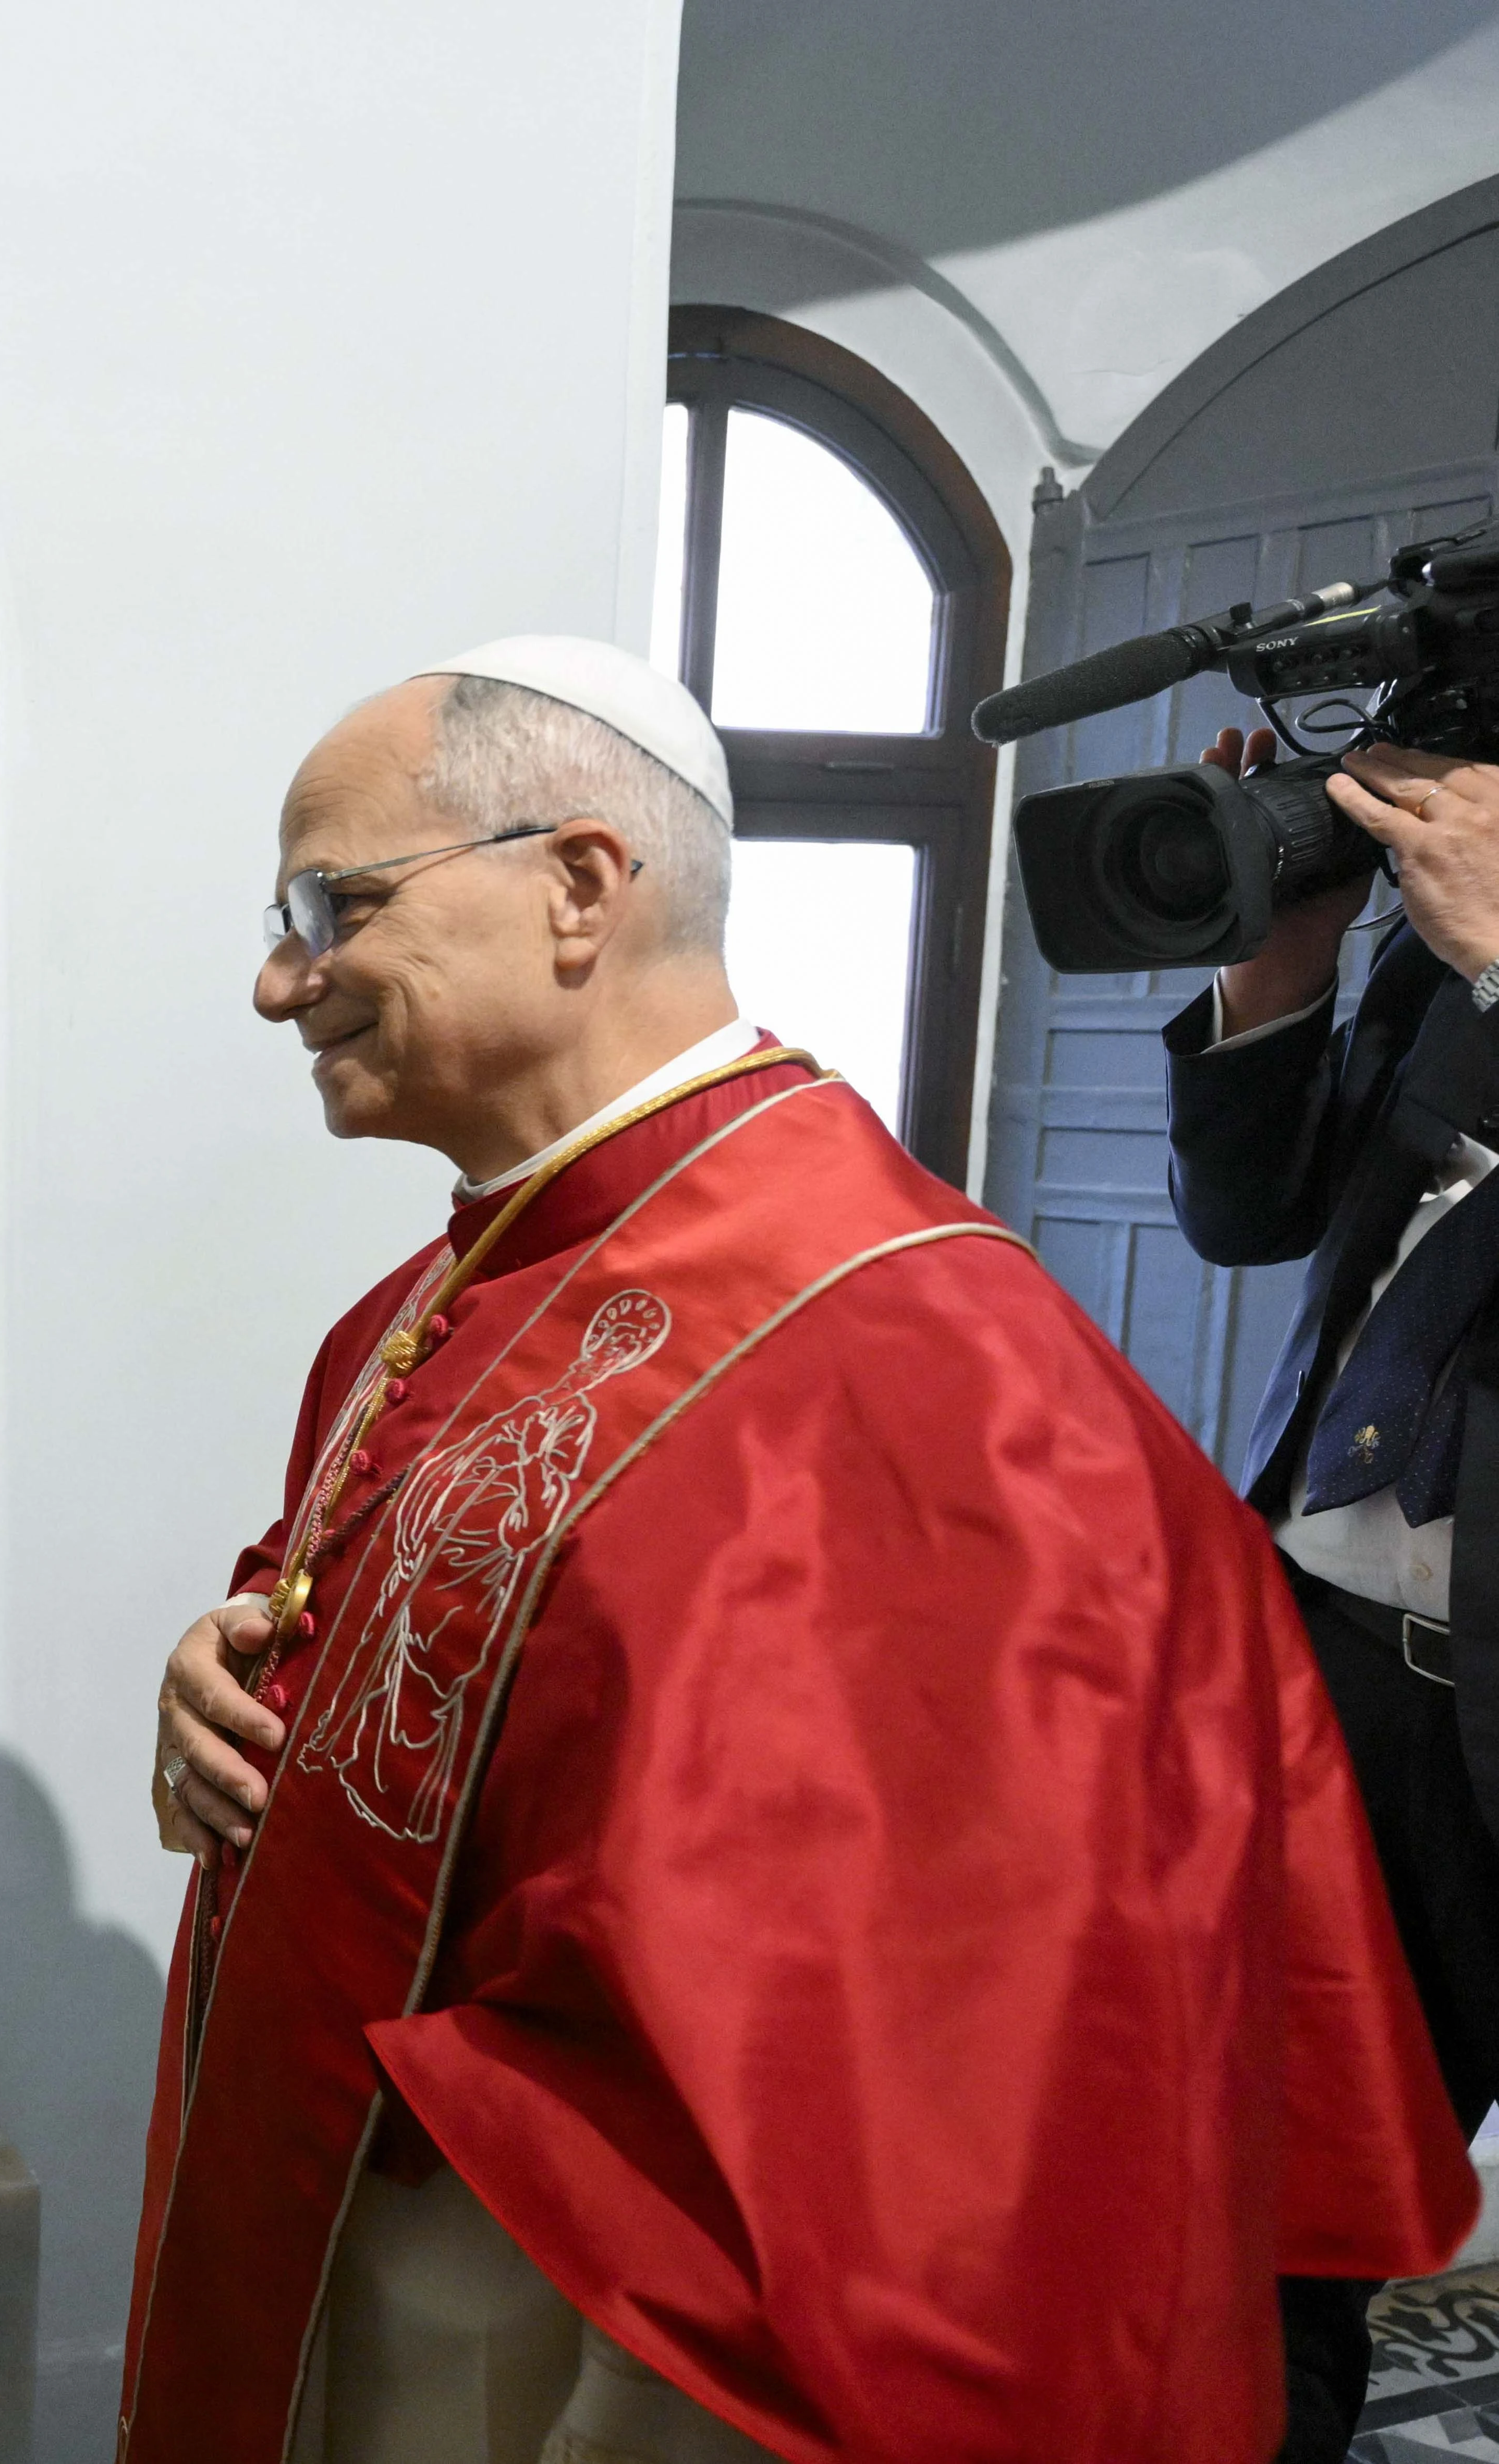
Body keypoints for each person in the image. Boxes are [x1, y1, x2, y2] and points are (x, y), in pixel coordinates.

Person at [124, 636, 1472, 2463]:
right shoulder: (439, 1289)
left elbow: (930, 2122)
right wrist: (234, 1672)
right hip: (385, 2257)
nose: (281, 979)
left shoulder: (920, 1355)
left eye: (328, 904)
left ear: (580, 886)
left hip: (589, 2343)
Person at [1169, 721, 1499, 2457]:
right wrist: (1277, 974)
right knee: (1255, 2211)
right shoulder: (1443, 910)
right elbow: (1251, 1215)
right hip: (1322, 1655)